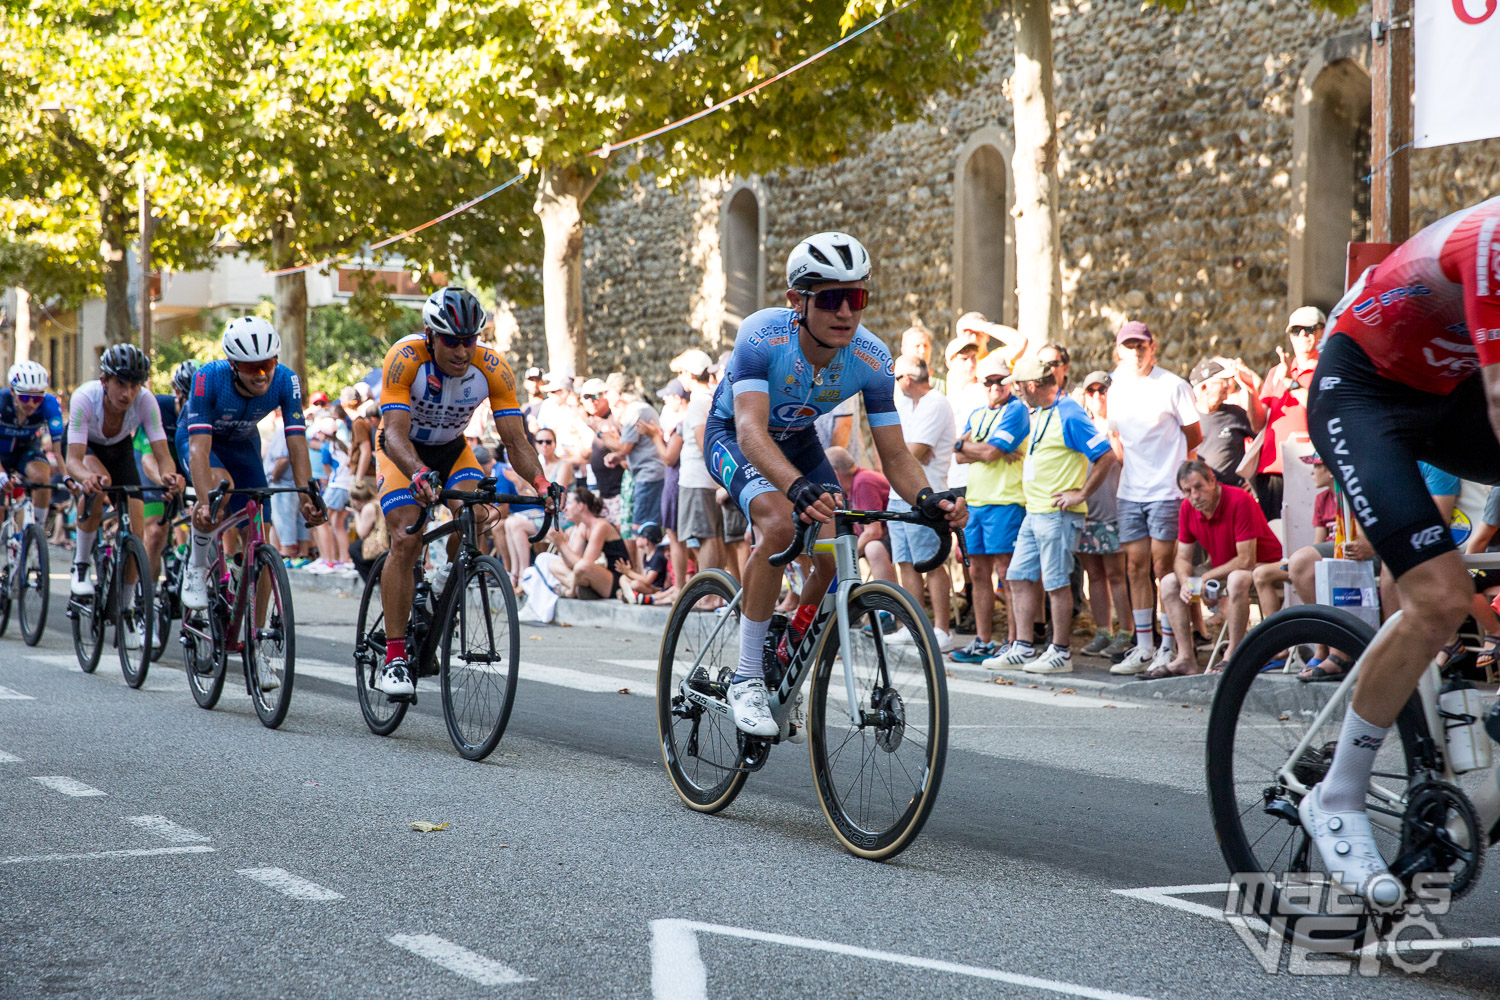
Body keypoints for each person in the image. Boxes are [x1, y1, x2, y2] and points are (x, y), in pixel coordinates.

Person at [1284, 197, 1500, 908]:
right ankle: (1338, 796)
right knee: (1438, 598)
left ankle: (1472, 712)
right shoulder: (1492, 240)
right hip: (1364, 392)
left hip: (1445, 388)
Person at [705, 231, 966, 738]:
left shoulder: (870, 358)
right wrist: (795, 487)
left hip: (798, 439)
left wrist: (929, 498)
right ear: (796, 302)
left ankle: (788, 650)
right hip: (736, 436)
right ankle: (747, 677)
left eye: (857, 297)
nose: (846, 311)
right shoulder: (761, 336)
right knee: (780, 522)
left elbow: (894, 455)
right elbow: (751, 432)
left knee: (834, 551)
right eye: (830, 298)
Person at [374, 287, 553, 699]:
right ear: (430, 335)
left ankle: (440, 584)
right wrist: (418, 472)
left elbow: (517, 442)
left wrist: (541, 484)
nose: (460, 350)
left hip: (453, 450)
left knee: (477, 514)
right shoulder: (405, 359)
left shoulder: (493, 368)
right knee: (406, 537)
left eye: (468, 340)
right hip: (404, 452)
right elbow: (396, 434)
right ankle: (395, 657)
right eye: (450, 340)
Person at [178, 319, 322, 688]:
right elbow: (198, 448)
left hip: (243, 447)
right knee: (220, 491)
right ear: (232, 365)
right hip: (201, 443)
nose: (261, 374)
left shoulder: (286, 380)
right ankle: (197, 568)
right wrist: (205, 498)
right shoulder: (208, 379)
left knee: (262, 540)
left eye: (268, 364)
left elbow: (296, 441)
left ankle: (256, 646)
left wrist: (308, 492)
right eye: (251, 367)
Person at [985, 355, 1117, 673]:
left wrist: (1081, 493)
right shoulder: (1043, 410)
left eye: (1017, 385)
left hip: (1058, 513)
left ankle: (1060, 651)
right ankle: (1023, 647)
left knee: (1056, 583)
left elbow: (1106, 456)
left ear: (1032, 385)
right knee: (1017, 576)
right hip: (1036, 511)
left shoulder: (1069, 412)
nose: (1014, 391)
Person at [65, 346, 185, 652]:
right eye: (121, 383)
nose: (128, 393)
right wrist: (85, 478)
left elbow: (163, 455)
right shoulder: (84, 398)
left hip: (120, 452)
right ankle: (80, 565)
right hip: (88, 450)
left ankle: (129, 610)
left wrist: (170, 477)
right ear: (105, 380)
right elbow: (73, 461)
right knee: (99, 483)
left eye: (135, 385)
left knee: (136, 529)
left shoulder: (146, 402)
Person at [1105, 321, 1203, 675]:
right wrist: (1131, 468)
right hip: (1131, 490)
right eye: (1128, 346)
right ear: (1119, 350)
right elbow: (1115, 434)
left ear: (1153, 346)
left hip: (1166, 490)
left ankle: (1168, 645)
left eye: (1141, 345)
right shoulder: (1116, 387)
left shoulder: (1173, 385)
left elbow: (1194, 434)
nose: (1135, 352)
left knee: (1164, 568)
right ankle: (1144, 646)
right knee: (1134, 567)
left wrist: (1172, 473)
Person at [1154, 460, 1282, 677]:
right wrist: (1186, 582)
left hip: (1265, 568)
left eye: (1199, 487)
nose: (1194, 496)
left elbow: (1246, 559)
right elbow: (1182, 558)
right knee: (1169, 583)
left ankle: (1233, 653)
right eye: (1187, 491)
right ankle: (1185, 658)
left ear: (1212, 480)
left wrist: (1206, 578)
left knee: (1237, 578)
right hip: (1223, 570)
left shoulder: (1239, 499)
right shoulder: (1188, 507)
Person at [950, 352, 1028, 664]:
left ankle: (1013, 640)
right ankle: (983, 640)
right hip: (977, 501)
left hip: (1006, 500)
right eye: (989, 382)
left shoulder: (1017, 410)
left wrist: (972, 448)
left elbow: (992, 453)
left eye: (1000, 381)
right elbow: (959, 454)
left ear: (1009, 383)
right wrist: (974, 449)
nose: (995, 386)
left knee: (1007, 574)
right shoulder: (978, 413)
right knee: (978, 572)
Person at [886, 356, 960, 651]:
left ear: (906, 379)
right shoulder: (905, 403)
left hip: (927, 495)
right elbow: (892, 449)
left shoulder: (936, 402)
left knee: (932, 562)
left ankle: (942, 628)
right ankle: (912, 625)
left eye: (896, 379)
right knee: (906, 561)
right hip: (898, 492)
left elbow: (912, 452)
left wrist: (903, 452)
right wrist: (903, 452)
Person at [1075, 371, 1133, 658]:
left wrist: (1115, 437)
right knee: (1093, 574)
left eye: (1103, 391)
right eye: (1092, 391)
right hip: (1086, 512)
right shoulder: (1080, 425)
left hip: (1114, 511)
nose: (1098, 396)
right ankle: (1102, 630)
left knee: (1116, 574)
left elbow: (1123, 461)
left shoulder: (1121, 425)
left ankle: (1127, 632)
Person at [1251, 305, 1324, 521]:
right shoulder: (1277, 371)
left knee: (1308, 529)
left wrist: (1289, 383)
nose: (1302, 335)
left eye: (1309, 329)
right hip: (1273, 466)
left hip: (1310, 465)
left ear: (1322, 331)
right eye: (1296, 330)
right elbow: (1257, 423)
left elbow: (1319, 410)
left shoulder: (1326, 368)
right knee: (1275, 531)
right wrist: (1248, 391)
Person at [502, 427, 573, 586]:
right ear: (535, 445)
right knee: (509, 522)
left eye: (548, 442)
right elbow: (531, 495)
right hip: (544, 513)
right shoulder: (538, 468)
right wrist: (517, 481)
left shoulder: (563, 465)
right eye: (540, 442)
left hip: (560, 516)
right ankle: (516, 573)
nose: (545, 445)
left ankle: (523, 576)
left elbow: (556, 496)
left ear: (554, 444)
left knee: (515, 524)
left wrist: (532, 488)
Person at [0, 360, 63, 518]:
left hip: (25, 449)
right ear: (13, 391)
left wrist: (68, 475)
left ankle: (38, 531)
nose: (31, 404)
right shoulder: (1, 402)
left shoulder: (49, 404)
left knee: (42, 477)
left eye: (37, 399)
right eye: (25, 397)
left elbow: (58, 447)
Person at [541, 485, 628, 598]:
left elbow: (585, 565)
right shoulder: (582, 527)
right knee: (554, 565)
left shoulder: (601, 526)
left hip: (616, 580)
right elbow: (572, 563)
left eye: (569, 503)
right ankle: (582, 590)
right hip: (592, 575)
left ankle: (571, 591)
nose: (565, 508)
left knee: (582, 567)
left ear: (581, 506)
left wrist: (561, 543)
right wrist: (559, 544)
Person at [826, 446, 892, 581]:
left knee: (872, 548)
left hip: (894, 535)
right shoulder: (849, 487)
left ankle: (888, 600)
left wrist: (842, 560)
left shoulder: (863, 481)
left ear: (834, 473)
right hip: (885, 537)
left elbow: (873, 532)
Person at [1190, 358, 1254, 488]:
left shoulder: (1236, 414)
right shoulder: (1188, 419)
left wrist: (1252, 479)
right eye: (1222, 382)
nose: (1227, 385)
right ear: (1204, 387)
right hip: (1201, 496)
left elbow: (1262, 441)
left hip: (1234, 494)